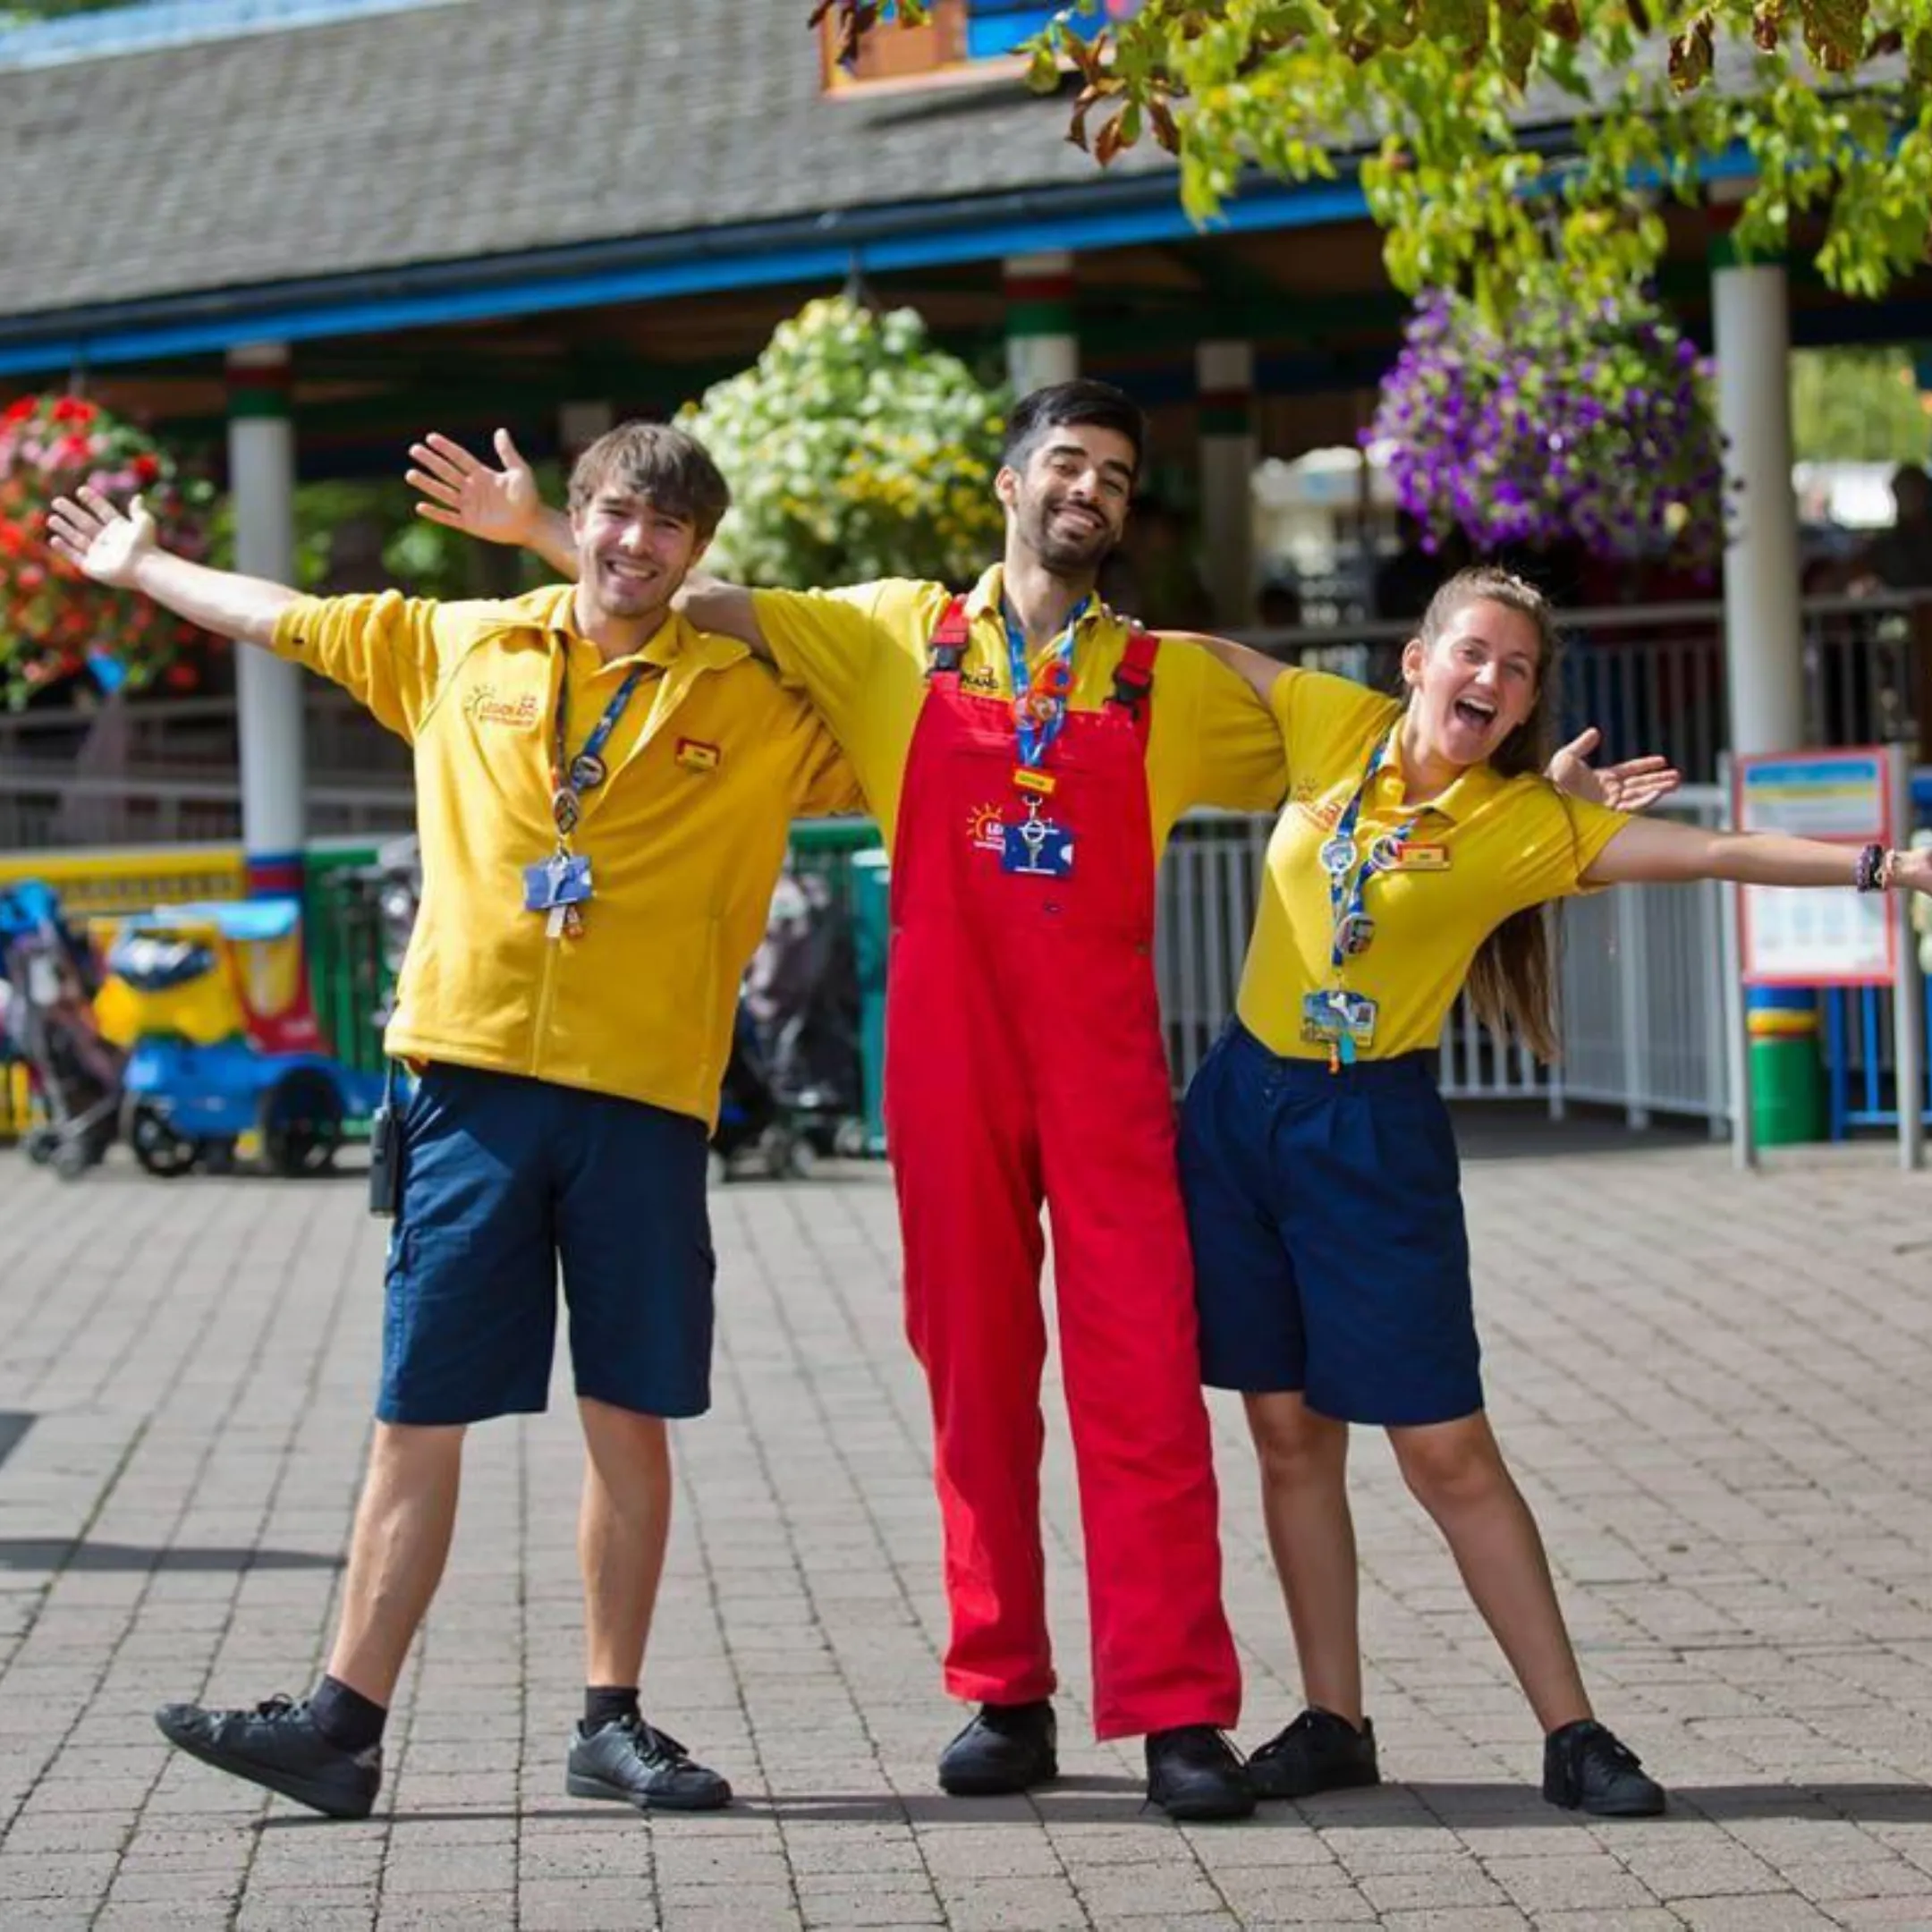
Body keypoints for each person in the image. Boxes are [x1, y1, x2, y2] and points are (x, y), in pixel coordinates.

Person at [407, 386, 1670, 1823]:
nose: (1091, 489)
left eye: (1117, 477)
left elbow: (1398, 747)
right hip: (948, 1062)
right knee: (974, 1376)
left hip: (1106, 1069)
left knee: (1140, 1373)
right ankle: (1002, 1689)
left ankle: (1180, 1711)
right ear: (1008, 484)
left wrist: (1521, 781)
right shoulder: (889, 630)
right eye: (1067, 463)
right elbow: (689, 586)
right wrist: (531, 531)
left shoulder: (1171, 679)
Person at [45, 422, 859, 1823]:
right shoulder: (463, 644)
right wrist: (141, 565)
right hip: (464, 1089)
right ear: (586, 508)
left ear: (700, 551)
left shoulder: (762, 703)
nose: (633, 545)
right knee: (417, 1414)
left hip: (647, 1101)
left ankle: (614, 1722)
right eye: (612, 514)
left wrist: (548, 533)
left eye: (667, 529)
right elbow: (286, 617)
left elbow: (873, 679)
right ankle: (339, 1723)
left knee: (629, 1413)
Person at [1178, 565, 1932, 1818]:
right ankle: (1333, 1719)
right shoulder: (1332, 721)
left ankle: (1573, 1733)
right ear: (1417, 661)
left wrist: (1890, 867)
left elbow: (1716, 849)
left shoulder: (1526, 826)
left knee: (1444, 1448)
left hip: (1372, 1133)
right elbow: (1200, 650)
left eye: (1517, 669)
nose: (1490, 678)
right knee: (1287, 1434)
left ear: (1527, 706)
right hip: (1238, 1115)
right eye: (1472, 652)